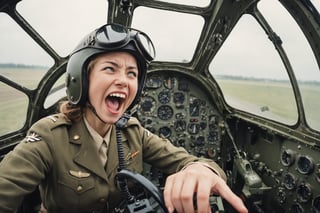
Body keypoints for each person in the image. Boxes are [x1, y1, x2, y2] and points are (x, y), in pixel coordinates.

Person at [0, 23, 247, 213]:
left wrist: (199, 170)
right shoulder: (49, 136)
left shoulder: (132, 133)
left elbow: (190, 161)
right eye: (110, 68)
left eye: (132, 73)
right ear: (81, 80)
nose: (123, 80)